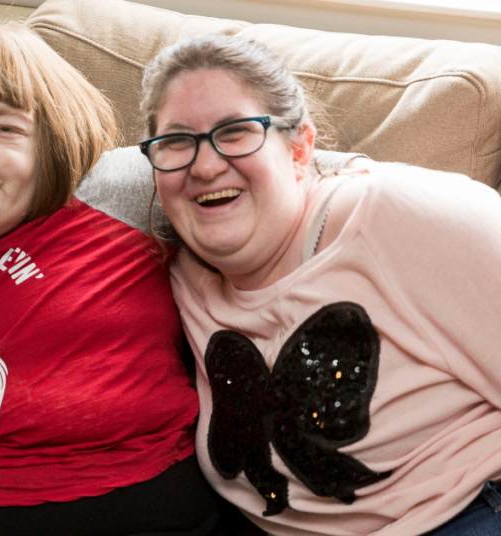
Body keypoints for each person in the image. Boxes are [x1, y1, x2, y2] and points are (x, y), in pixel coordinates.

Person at [0, 17, 238, 536]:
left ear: (53, 144)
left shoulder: (116, 195)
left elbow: (277, 167)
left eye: (5, 127)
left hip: (130, 508)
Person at [135, 34, 501, 535]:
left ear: (301, 147)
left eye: (236, 131)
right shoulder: (170, 266)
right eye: (177, 141)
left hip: (462, 513)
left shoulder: (397, 216)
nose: (204, 165)